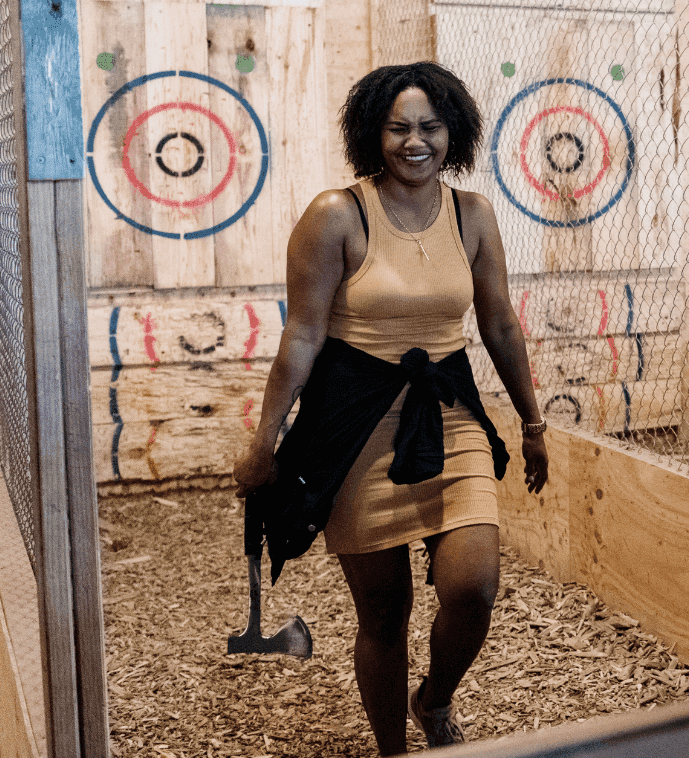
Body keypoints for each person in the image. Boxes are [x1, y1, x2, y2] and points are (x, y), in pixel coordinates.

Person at [233, 62, 549, 754]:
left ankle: (433, 700)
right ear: (372, 134)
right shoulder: (335, 214)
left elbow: (499, 326)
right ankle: (393, 751)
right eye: (398, 127)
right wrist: (264, 442)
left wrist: (531, 423)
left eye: (430, 127)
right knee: (383, 611)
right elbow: (304, 334)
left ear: (453, 133)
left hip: (449, 413)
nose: (415, 141)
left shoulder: (473, 215)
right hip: (355, 425)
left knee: (473, 588)